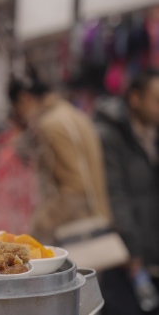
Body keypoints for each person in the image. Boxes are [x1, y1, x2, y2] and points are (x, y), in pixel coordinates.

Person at [8, 70, 112, 245]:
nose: (22, 118)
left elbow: (74, 188)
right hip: (92, 222)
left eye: (18, 110)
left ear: (25, 99)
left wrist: (40, 224)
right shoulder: (70, 113)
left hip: (75, 231)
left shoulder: (52, 124)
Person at [95, 70, 159, 315]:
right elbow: (115, 195)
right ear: (135, 98)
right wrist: (132, 253)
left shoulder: (154, 135)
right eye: (156, 100)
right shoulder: (109, 135)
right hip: (125, 257)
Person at [0, 113, 38, 234]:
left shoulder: (16, 155)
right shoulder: (7, 155)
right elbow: (2, 194)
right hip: (10, 219)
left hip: (19, 217)